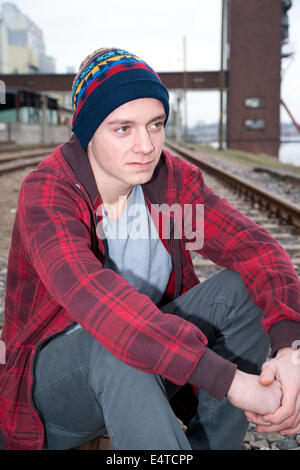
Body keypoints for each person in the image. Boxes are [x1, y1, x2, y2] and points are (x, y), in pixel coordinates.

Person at [0, 47, 299, 451]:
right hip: (53, 397)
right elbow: (100, 302)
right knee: (115, 340)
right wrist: (231, 381)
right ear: (88, 131)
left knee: (242, 287)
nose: (145, 146)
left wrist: (289, 349)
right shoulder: (50, 194)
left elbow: (255, 249)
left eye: (155, 125)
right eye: (123, 128)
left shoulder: (171, 183)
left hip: (152, 364)